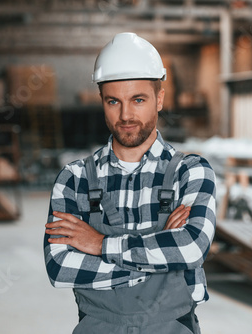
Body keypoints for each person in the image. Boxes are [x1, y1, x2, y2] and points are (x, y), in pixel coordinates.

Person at [44, 32, 216, 334]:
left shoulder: (191, 172)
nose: (125, 115)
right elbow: (60, 267)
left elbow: (190, 249)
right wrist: (159, 253)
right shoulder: (74, 179)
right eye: (113, 101)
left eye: (138, 100)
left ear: (159, 99)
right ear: (102, 100)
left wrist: (98, 244)